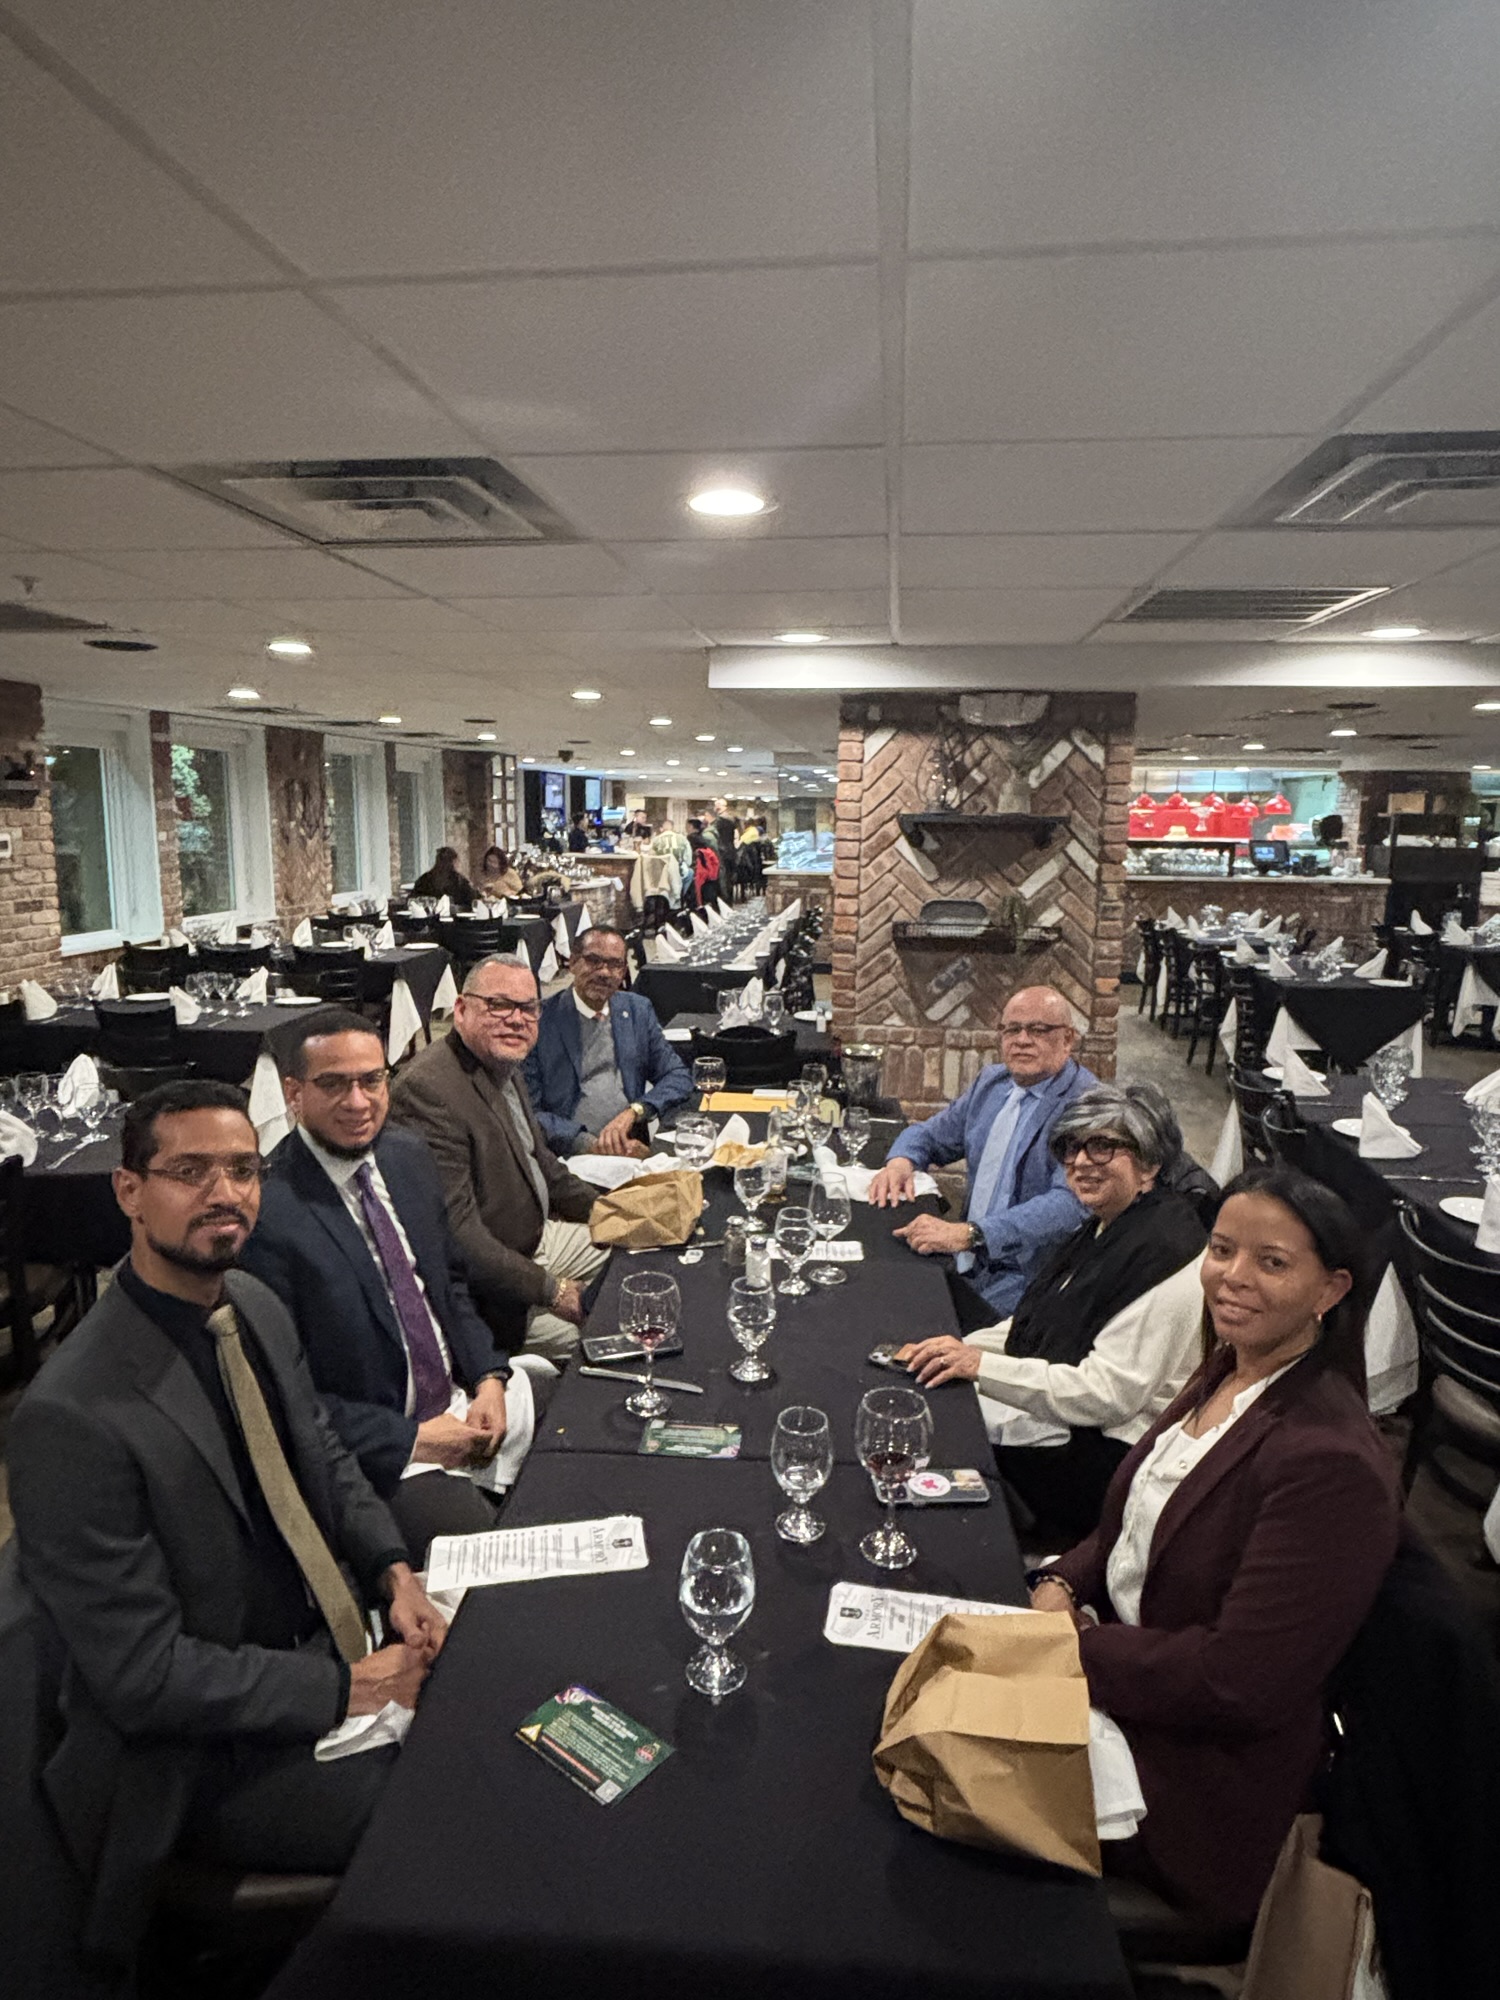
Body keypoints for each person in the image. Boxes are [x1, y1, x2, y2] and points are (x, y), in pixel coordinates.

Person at [6, 1080, 446, 1972]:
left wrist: (393, 1570)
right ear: (129, 1191)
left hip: (321, 1645)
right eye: (190, 1172)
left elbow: (324, 1459)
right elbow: (142, 1677)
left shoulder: (249, 1304)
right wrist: (348, 1688)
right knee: (445, 1810)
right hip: (197, 1757)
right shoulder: (71, 1415)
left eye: (243, 1170)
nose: (224, 1193)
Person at [1028, 1168, 1400, 1926]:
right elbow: (1137, 1520)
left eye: (1272, 1262)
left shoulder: (1328, 1462)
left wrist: (1072, 1649)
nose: (1233, 1276)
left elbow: (1239, 1681)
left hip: (1183, 1783)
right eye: (1223, 1249)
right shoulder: (1234, 1366)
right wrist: (1060, 1581)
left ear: (1330, 1290)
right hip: (1121, 1694)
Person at [239, 1009, 534, 1565]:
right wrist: (413, 1440)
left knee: (580, 1446)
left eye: (371, 1080)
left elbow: (449, 1287)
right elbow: (285, 1398)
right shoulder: (269, 1216)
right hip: (385, 1450)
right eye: (334, 1084)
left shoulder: (406, 1156)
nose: (358, 1102)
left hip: (461, 1403)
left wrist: (488, 1377)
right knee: (494, 1564)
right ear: (294, 1093)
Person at [898, 1084, 1208, 1539]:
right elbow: (1038, 1320)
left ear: (1149, 1166)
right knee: (920, 1397)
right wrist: (956, 1349)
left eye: (1103, 1146)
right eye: (1071, 1148)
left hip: (1101, 1461)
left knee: (926, 1446)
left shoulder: (1166, 1256)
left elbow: (1107, 1395)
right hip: (1069, 1423)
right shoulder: (1111, 1225)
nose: (1081, 1162)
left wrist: (978, 1365)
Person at [388, 953, 606, 1361]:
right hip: (489, 1293)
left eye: (528, 1008)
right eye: (499, 1005)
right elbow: (459, 1237)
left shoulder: (501, 1061)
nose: (516, 1019)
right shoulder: (428, 1092)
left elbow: (544, 1165)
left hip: (536, 1238)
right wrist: (554, 1291)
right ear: (461, 1009)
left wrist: (612, 1213)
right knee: (602, 1337)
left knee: (637, 1252)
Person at [868, 986, 1097, 1325]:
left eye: (1038, 1030)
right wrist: (901, 1160)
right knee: (878, 1289)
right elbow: (931, 1135)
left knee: (914, 1327)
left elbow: (1068, 1203)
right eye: (1012, 1029)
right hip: (968, 1260)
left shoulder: (1087, 1106)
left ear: (1068, 1039)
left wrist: (971, 1234)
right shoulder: (993, 1083)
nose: (1022, 1040)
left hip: (1027, 1277)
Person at [523, 926, 692, 1157]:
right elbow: (528, 1110)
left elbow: (677, 1075)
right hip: (567, 1155)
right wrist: (588, 1144)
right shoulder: (539, 1021)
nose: (604, 972)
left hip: (630, 1145)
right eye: (593, 961)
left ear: (623, 972)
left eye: (614, 964)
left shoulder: (637, 1010)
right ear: (572, 963)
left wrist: (636, 1111)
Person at [411, 844, 475, 910]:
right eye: (443, 861)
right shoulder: (424, 881)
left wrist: (457, 908)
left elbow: (472, 902)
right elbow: (413, 901)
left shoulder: (460, 882)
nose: (444, 866)